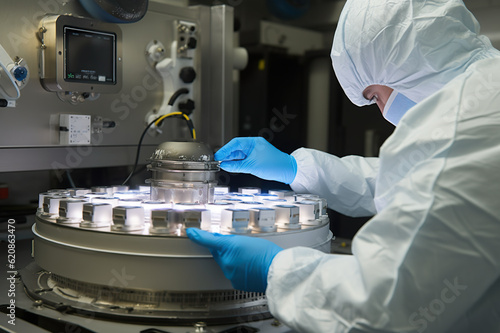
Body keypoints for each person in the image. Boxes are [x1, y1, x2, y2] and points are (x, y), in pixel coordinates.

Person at [186, 0, 500, 331]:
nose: (381, 112)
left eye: (375, 96)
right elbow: (418, 181)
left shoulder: (461, 127)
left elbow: (383, 305)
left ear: (402, 65)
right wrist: (295, 167)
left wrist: (274, 269)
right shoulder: (484, 93)